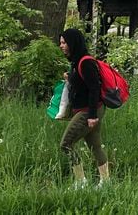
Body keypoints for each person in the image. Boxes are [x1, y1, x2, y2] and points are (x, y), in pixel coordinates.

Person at [59, 28, 109, 188]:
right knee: (95, 145)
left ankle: (81, 182)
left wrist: (92, 116)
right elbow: (83, 84)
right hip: (89, 109)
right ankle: (106, 183)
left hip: (89, 110)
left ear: (73, 43)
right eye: (61, 42)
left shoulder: (85, 62)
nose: (61, 45)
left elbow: (94, 88)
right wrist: (70, 78)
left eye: (64, 42)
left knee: (66, 144)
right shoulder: (76, 61)